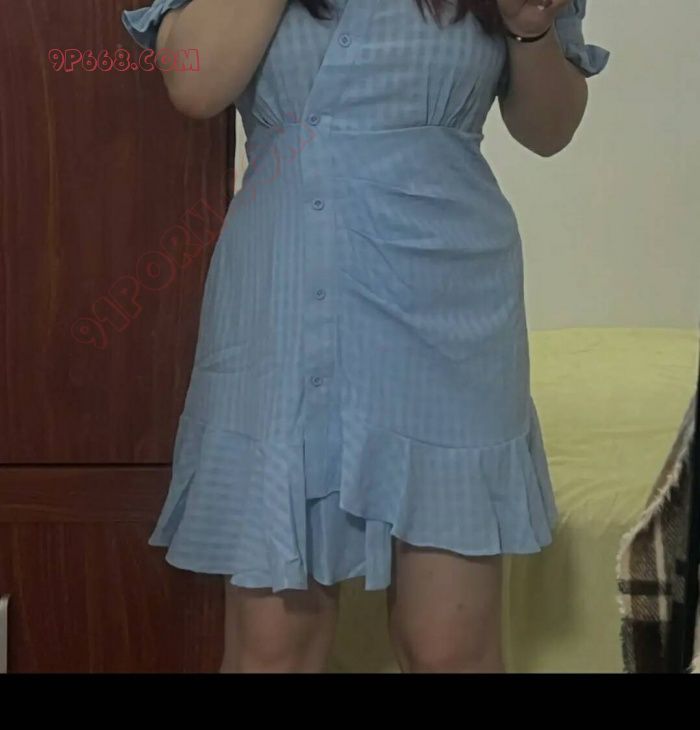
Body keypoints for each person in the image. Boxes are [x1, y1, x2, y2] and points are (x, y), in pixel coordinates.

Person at [121, 0, 610, 673]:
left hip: (448, 304)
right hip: (286, 296)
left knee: (450, 650)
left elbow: (550, 129)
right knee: (274, 649)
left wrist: (531, 28)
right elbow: (194, 81)